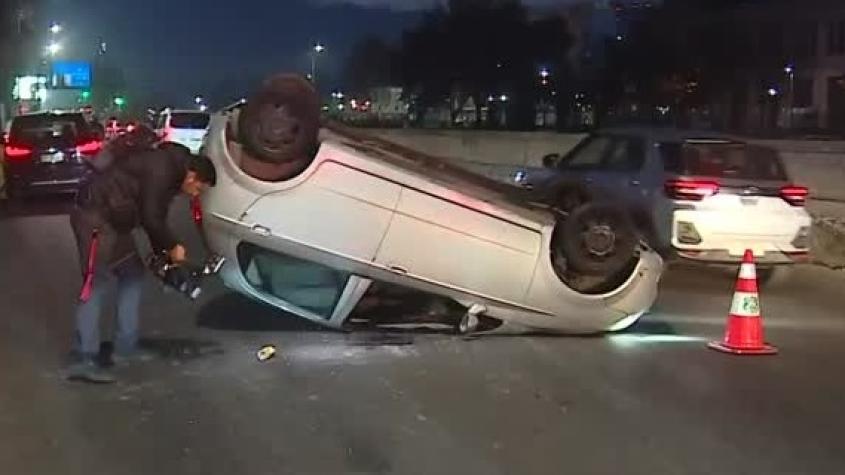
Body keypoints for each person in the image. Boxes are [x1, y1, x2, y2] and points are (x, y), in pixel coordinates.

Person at [65, 142, 217, 383]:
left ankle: (126, 344)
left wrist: (166, 258)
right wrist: (173, 246)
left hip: (116, 223)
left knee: (132, 274)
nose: (196, 194)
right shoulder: (162, 169)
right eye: (199, 188)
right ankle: (84, 358)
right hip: (94, 217)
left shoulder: (171, 173)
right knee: (96, 284)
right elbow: (150, 217)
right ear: (193, 176)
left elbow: (156, 217)